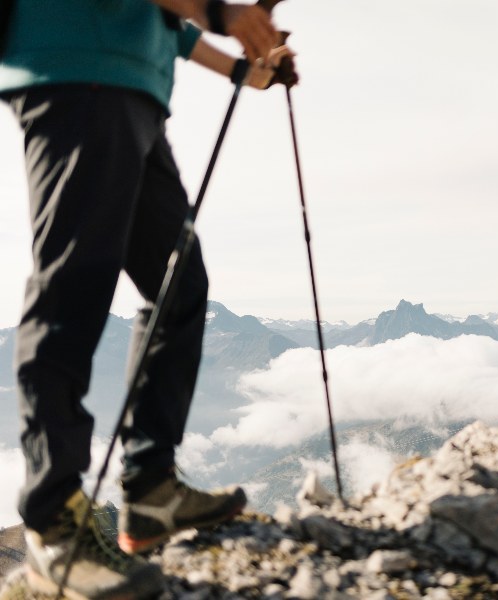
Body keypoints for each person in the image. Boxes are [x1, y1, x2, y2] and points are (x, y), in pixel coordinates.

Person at [0, 1, 294, 597]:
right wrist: (221, 12)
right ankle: (53, 523)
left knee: (179, 287)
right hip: (75, 70)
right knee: (73, 285)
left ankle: (152, 488)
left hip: (129, 87)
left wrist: (244, 71)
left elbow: (165, 23)